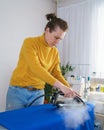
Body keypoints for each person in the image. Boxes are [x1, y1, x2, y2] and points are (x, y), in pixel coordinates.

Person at [6, 13, 78, 111]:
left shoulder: (54, 52)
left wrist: (69, 89)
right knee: (13, 124)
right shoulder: (30, 43)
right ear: (47, 30)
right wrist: (61, 87)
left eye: (60, 39)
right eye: (56, 37)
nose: (57, 42)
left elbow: (57, 74)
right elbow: (36, 68)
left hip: (38, 94)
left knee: (35, 125)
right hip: (18, 92)